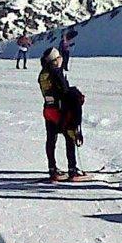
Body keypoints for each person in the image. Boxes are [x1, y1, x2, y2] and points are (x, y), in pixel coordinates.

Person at [38, 47, 85, 181]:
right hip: (60, 111)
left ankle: (52, 169)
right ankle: (72, 169)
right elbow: (64, 91)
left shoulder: (43, 73)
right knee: (69, 137)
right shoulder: (56, 72)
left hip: (48, 109)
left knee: (51, 140)